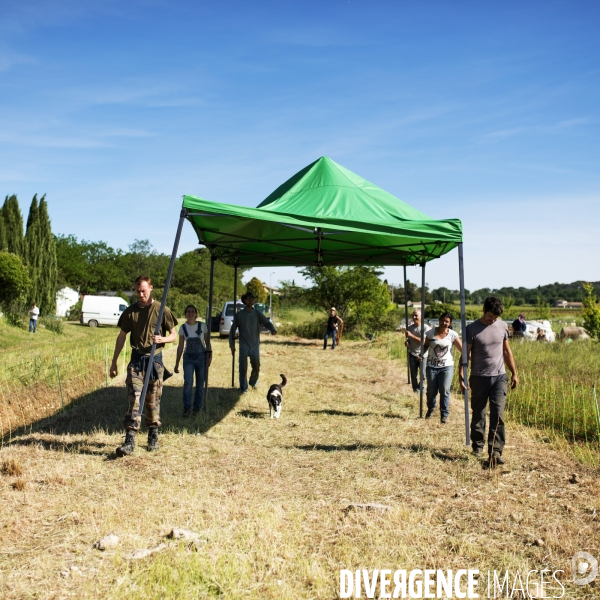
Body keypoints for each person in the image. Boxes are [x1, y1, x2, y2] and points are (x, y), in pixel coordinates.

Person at [109, 276, 178, 456]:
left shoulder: (161, 310)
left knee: (152, 402)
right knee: (134, 399)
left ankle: (153, 435)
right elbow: (122, 336)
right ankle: (130, 440)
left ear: (151, 288)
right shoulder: (130, 312)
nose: (141, 294)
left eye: (144, 291)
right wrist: (114, 362)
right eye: (138, 291)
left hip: (155, 362)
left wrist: (162, 339)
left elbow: (174, 335)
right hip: (136, 361)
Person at [464, 296, 518, 468]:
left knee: (498, 415)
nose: (492, 320)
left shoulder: (502, 326)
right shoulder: (472, 329)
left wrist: (514, 373)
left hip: (499, 377)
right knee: (479, 414)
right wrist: (461, 373)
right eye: (490, 316)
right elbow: (465, 354)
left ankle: (495, 451)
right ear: (483, 310)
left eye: (495, 317)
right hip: (479, 377)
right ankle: (477, 445)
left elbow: (507, 351)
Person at [229, 292, 276, 393]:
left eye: (253, 299)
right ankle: (243, 388)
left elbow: (266, 322)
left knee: (256, 366)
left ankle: (253, 382)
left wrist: (272, 329)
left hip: (255, 345)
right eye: (249, 299)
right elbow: (232, 330)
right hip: (244, 346)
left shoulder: (257, 313)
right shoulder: (239, 315)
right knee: (243, 367)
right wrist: (231, 345)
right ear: (245, 300)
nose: (251, 301)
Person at [420, 312, 463, 424]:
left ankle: (444, 414)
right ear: (439, 320)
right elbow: (425, 345)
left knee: (445, 389)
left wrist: (471, 357)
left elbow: (462, 349)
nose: (444, 323)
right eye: (442, 320)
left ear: (450, 323)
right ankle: (430, 408)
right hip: (432, 366)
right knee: (431, 391)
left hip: (446, 367)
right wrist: (421, 354)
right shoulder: (430, 333)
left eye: (447, 321)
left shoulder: (452, 335)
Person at [174, 305, 211, 417]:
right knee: (188, 383)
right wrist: (176, 363)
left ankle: (197, 408)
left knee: (200, 384)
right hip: (188, 358)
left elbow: (207, 342)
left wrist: (210, 356)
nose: (190, 313)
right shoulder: (182, 328)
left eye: (192, 311)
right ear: (185, 314)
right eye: (188, 311)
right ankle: (186, 407)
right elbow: (180, 346)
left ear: (196, 314)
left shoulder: (202, 326)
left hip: (201, 358)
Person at [405, 310, 431, 393]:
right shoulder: (410, 328)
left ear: (421, 317)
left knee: (423, 374)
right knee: (413, 374)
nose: (414, 317)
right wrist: (407, 342)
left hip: (423, 354)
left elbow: (423, 341)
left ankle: (421, 388)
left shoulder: (426, 328)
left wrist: (411, 335)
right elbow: (409, 340)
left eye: (416, 315)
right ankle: (415, 390)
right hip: (412, 353)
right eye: (413, 315)